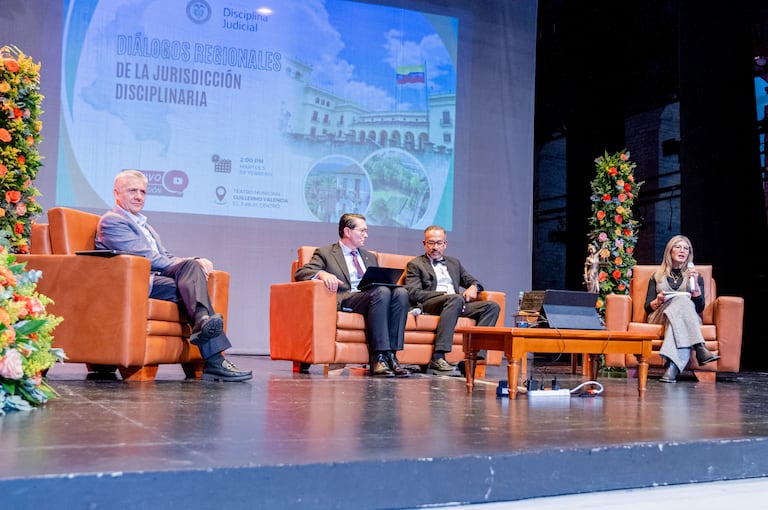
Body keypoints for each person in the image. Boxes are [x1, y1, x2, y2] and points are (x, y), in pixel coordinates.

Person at [95, 170, 252, 382]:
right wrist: (190, 263)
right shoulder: (112, 221)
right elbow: (146, 257)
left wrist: (191, 261)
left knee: (192, 276)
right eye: (132, 190)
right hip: (137, 283)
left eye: (143, 191)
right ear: (116, 193)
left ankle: (204, 325)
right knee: (192, 280)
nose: (139, 196)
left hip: (157, 280)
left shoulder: (147, 226)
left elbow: (165, 256)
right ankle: (214, 358)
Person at [294, 213, 410, 377]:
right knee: (381, 292)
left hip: (373, 298)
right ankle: (377, 357)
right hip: (347, 299)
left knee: (401, 292)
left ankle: (391, 356)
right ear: (347, 232)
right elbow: (302, 272)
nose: (366, 235)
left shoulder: (369, 256)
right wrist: (322, 274)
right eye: (362, 231)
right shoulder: (326, 253)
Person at [405, 225, 500, 373]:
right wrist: (446, 296)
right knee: (455, 299)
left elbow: (474, 281)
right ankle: (438, 357)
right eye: (431, 243)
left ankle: (474, 357)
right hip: (432, 304)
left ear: (445, 244)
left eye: (439, 243)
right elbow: (414, 293)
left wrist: (474, 287)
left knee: (492, 306)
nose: (435, 247)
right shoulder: (416, 264)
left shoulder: (454, 263)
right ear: (424, 244)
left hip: (456, 304)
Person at [645, 235, 719, 383]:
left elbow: (699, 307)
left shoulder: (695, 277)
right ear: (669, 251)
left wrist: (696, 289)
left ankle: (672, 368)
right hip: (660, 314)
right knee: (682, 299)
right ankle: (699, 347)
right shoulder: (657, 276)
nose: (682, 250)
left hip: (686, 317)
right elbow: (647, 307)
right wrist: (658, 300)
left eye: (686, 248)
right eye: (678, 247)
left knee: (683, 302)